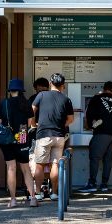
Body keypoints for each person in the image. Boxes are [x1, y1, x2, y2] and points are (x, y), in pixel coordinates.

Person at [0, 78, 38, 208]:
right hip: (22, 136)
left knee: (11, 168)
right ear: (21, 90)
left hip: (7, 139)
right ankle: (33, 199)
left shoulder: (4, 103)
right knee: (26, 169)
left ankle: (13, 200)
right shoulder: (26, 104)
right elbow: (30, 123)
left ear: (10, 90)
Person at [30, 73, 74, 201]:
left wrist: (34, 124)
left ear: (50, 83)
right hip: (59, 136)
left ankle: (38, 193)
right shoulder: (66, 99)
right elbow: (71, 119)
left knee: (40, 165)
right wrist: (61, 125)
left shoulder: (41, 95)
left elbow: (32, 110)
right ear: (63, 85)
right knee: (55, 164)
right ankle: (54, 193)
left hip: (43, 135)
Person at [79, 81, 112, 194]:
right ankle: (104, 184)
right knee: (107, 159)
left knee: (95, 158)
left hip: (101, 133)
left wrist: (91, 126)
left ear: (104, 89)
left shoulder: (97, 98)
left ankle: (92, 184)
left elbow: (89, 114)